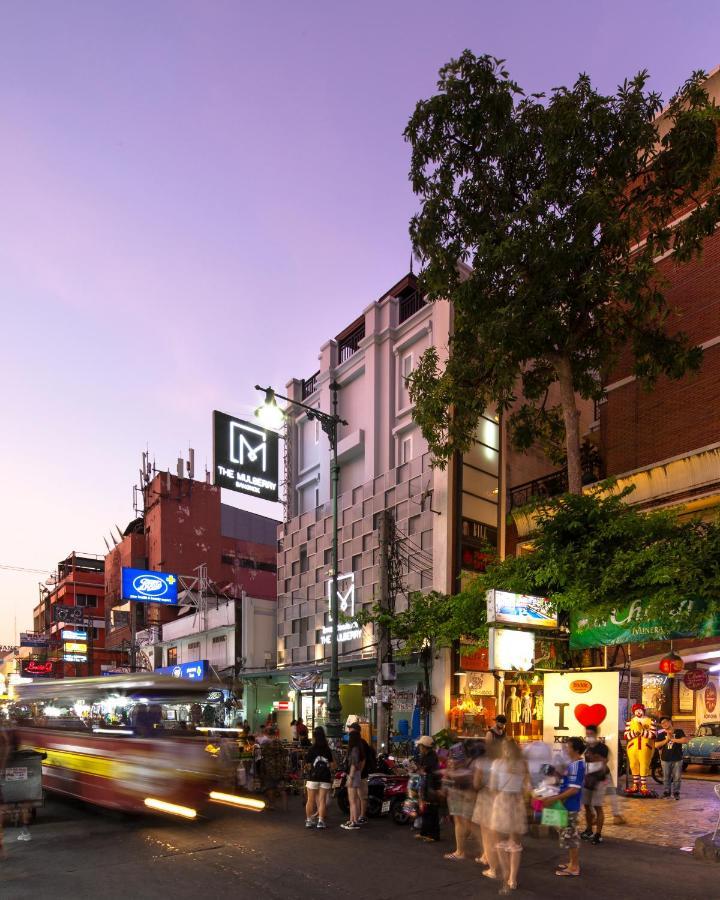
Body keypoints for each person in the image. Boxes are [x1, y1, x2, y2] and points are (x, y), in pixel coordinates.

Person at [541, 736, 586, 878]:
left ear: (576, 749)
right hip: (567, 805)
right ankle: (572, 862)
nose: (565, 749)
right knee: (568, 834)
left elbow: (574, 789)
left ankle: (574, 867)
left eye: (568, 747)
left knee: (571, 835)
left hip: (570, 805)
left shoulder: (576, 765)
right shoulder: (573, 764)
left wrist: (554, 798)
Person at [489, 739, 529, 894]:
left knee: (499, 840)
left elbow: (493, 787)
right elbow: (527, 787)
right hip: (517, 802)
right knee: (515, 842)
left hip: (502, 801)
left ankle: (505, 874)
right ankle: (513, 878)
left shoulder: (497, 764)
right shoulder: (522, 764)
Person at [472, 739, 502, 879]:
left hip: (486, 797)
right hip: (501, 798)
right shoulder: (502, 762)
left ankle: (493, 868)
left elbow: (477, 784)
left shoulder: (481, 763)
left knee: (487, 834)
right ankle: (487, 857)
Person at [443, 742, 477, 861]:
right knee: (467, 822)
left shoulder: (454, 762)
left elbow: (448, 779)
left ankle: (459, 852)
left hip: (456, 795)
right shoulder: (470, 762)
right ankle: (466, 849)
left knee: (460, 823)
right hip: (466, 794)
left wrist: (445, 788)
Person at [580, 725, 609, 844]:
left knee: (597, 806)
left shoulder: (602, 747)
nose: (589, 736)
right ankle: (588, 829)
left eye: (591, 734)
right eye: (587, 734)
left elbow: (603, 762)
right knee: (586, 805)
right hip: (588, 779)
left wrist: (594, 757)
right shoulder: (586, 747)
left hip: (600, 780)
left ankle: (598, 834)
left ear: (596, 734)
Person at [304, 727, 334, 829]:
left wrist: (311, 769)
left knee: (310, 800)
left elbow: (307, 764)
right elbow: (332, 764)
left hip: (313, 777)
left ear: (314, 736)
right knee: (322, 800)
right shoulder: (327, 749)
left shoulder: (311, 749)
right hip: (325, 777)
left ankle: (309, 820)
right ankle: (321, 821)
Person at [348, 721, 376, 823]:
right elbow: (364, 759)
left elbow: (361, 760)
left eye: (350, 730)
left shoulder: (358, 744)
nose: (349, 732)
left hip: (359, 774)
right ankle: (359, 817)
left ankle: (358, 818)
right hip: (361, 774)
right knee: (360, 797)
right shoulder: (362, 743)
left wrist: (357, 773)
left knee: (357, 798)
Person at [415, 735, 441, 842]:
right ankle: (424, 832)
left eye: (420, 746)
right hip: (427, 786)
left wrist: (418, 770)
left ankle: (433, 835)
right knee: (426, 810)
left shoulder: (431, 757)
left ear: (425, 747)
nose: (419, 748)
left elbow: (426, 771)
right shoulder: (426, 756)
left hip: (431, 787)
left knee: (431, 812)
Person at [656, 716, 688, 800]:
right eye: (662, 723)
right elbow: (656, 745)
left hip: (677, 758)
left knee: (677, 777)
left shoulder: (679, 732)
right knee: (666, 777)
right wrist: (666, 740)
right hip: (665, 759)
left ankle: (676, 793)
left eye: (665, 722)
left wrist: (672, 739)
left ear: (670, 722)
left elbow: (685, 740)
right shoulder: (661, 734)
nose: (664, 724)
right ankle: (667, 792)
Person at [341, 729, 365, 830]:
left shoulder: (354, 749)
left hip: (353, 775)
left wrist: (350, 777)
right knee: (353, 800)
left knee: (352, 800)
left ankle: (354, 822)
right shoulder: (359, 748)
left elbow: (353, 764)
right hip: (357, 774)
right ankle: (352, 820)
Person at [260, 728, 288, 811]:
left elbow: (263, 753)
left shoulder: (266, 743)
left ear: (268, 733)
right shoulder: (279, 742)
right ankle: (285, 806)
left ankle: (272, 805)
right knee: (281, 787)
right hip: (279, 767)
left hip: (269, 767)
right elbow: (284, 753)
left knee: (270, 787)